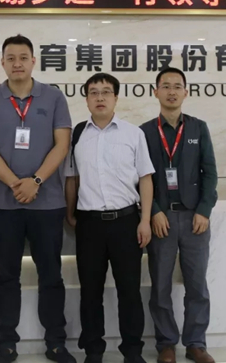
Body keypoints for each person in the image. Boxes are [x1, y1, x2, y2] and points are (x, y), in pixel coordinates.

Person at [0, 35, 75, 363]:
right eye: (11, 58)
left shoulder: (54, 97)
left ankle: (56, 342)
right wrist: (16, 184)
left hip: (48, 204)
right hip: (4, 205)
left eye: (23, 57)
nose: (17, 63)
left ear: (34, 61)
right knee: (6, 276)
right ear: (2, 63)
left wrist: (36, 181)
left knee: (51, 275)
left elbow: (62, 145)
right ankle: (6, 343)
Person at [65, 73, 154, 363]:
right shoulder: (78, 135)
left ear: (116, 98)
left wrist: (145, 220)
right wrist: (70, 213)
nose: (100, 97)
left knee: (129, 291)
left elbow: (146, 178)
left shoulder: (133, 134)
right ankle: (93, 351)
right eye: (93, 92)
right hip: (89, 224)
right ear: (86, 99)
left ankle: (132, 351)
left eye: (106, 92)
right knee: (90, 292)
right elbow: (71, 178)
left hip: (126, 222)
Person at [139, 67, 218, 363]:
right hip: (161, 220)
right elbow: (139, 177)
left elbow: (210, 173)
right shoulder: (144, 132)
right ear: (155, 92)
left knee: (197, 285)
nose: (171, 91)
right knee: (160, 286)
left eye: (177, 86)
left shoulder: (198, 128)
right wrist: (154, 212)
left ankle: (196, 343)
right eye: (165, 86)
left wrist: (204, 211)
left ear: (186, 92)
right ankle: (166, 344)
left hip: (195, 219)